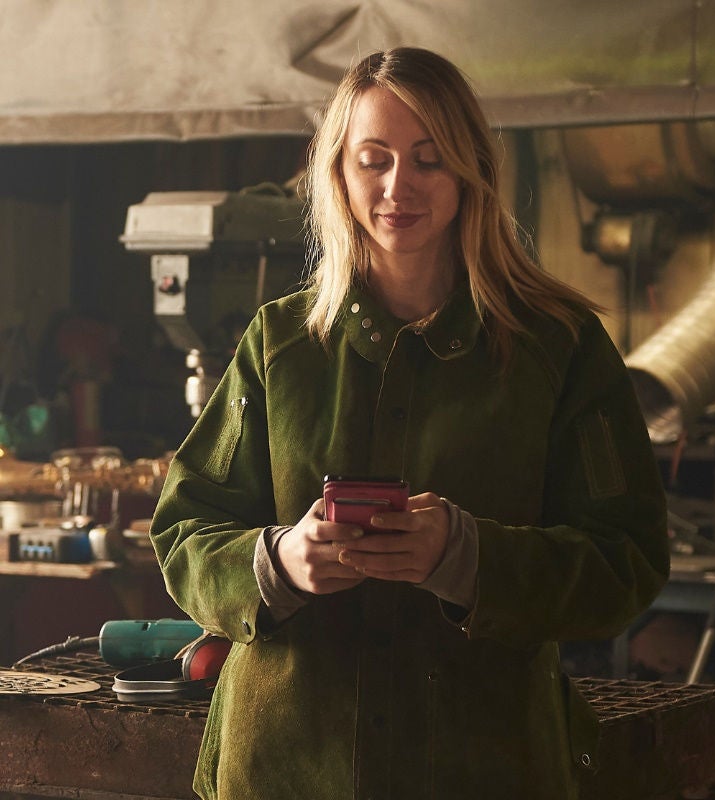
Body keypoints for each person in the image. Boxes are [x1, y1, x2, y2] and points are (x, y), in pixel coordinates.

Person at [150, 47, 669, 800]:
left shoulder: (559, 350)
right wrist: (281, 562)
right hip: (288, 769)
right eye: (375, 159)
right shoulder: (280, 342)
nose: (399, 187)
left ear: (470, 173)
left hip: (482, 767)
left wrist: (465, 557)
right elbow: (184, 531)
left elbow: (628, 560)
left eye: (429, 160)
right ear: (340, 174)